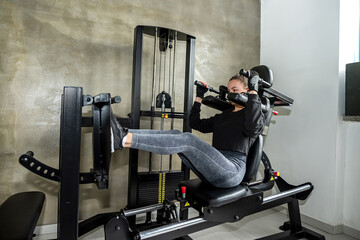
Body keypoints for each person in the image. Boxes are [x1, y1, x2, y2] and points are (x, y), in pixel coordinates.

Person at [110, 71, 264, 188]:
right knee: (178, 135)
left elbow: (253, 129)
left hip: (232, 170)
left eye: (235, 90)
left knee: (188, 140)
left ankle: (123, 138)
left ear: (247, 90)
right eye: (229, 90)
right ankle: (123, 135)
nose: (231, 94)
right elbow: (195, 123)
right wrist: (199, 97)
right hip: (215, 164)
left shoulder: (252, 114)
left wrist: (254, 92)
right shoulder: (224, 115)